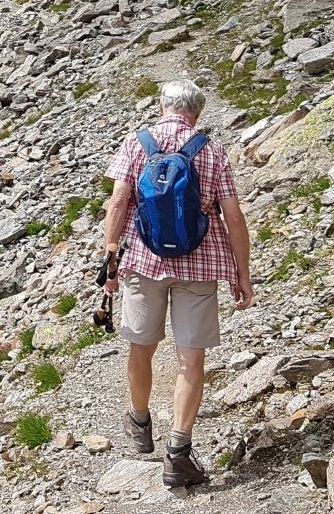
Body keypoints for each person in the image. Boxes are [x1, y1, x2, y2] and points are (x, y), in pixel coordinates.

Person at [101, 79, 254, 488]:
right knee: (191, 360)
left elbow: (118, 202)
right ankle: (178, 452)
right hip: (200, 265)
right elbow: (233, 216)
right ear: (196, 113)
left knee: (141, 346)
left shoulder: (136, 143)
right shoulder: (212, 150)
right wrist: (242, 274)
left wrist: (110, 261)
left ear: (162, 107)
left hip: (142, 261)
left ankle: (138, 421)